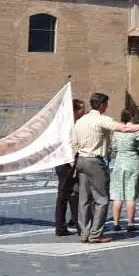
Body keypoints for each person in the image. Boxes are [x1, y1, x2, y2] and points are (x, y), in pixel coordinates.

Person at [74, 92, 139, 244]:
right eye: (106, 104)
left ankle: (84, 233)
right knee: (102, 199)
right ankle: (95, 234)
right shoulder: (101, 119)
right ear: (102, 105)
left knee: (84, 199)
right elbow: (124, 129)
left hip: (81, 160)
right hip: (94, 161)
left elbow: (74, 142)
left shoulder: (80, 121)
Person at [110, 109, 139, 232]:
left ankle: (116, 223)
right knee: (131, 195)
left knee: (117, 195)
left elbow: (114, 147)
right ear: (132, 117)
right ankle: (130, 224)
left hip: (119, 162)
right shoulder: (136, 130)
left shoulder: (117, 130)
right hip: (132, 161)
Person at [54, 98, 85, 236]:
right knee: (65, 195)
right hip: (66, 162)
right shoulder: (69, 125)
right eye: (81, 109)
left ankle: (75, 222)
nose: (84, 111)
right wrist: (73, 162)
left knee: (72, 194)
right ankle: (61, 227)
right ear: (75, 110)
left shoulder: (68, 123)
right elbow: (69, 145)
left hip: (64, 162)